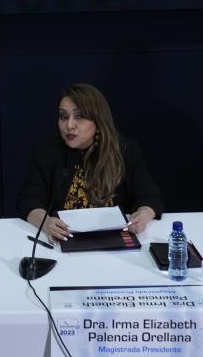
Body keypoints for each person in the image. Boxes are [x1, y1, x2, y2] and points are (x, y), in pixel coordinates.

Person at [17, 83, 163, 242]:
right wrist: (46, 223)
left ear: (98, 120)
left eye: (79, 116)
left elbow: (149, 195)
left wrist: (145, 213)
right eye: (63, 116)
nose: (69, 125)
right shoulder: (48, 152)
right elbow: (28, 200)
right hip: (65, 239)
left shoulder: (125, 151)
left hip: (114, 240)